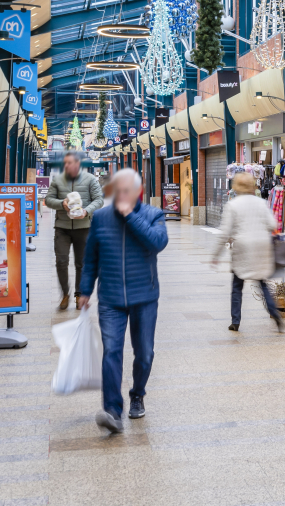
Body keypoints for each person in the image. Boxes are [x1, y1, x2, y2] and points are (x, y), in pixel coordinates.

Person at [78, 169, 168, 434]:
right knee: (112, 352)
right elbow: (91, 257)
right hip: (110, 298)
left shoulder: (154, 215)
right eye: (117, 190)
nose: (121, 195)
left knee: (145, 353)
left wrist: (131, 216)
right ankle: (112, 411)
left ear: (138, 192)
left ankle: (137, 394)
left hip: (145, 297)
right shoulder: (101, 218)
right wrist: (84, 289)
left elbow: (157, 243)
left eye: (126, 191)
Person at [212, 172, 285, 333]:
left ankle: (235, 321)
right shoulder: (261, 203)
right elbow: (273, 224)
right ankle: (275, 314)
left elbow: (224, 232)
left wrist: (216, 255)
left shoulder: (233, 205)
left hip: (243, 248)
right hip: (261, 247)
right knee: (262, 283)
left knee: (237, 286)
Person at [45, 152, 104, 310]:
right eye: (65, 163)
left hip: (83, 228)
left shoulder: (90, 179)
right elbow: (48, 200)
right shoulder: (58, 180)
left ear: (77, 164)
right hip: (62, 228)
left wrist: (87, 211)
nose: (66, 166)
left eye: (69, 163)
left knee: (82, 264)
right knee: (61, 261)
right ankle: (65, 294)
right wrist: (61, 204)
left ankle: (79, 295)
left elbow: (99, 200)